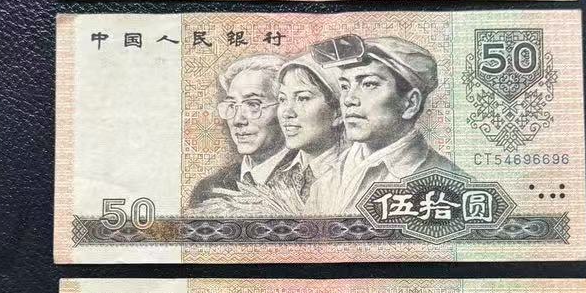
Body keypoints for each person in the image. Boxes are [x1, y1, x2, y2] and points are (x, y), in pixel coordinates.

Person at [308, 34, 466, 213]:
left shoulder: (450, 185)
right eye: (345, 86)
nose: (348, 99)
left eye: (369, 84)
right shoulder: (330, 173)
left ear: (410, 103)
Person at [189, 55, 300, 208]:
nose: (237, 120)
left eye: (253, 105)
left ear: (283, 108)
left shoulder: (308, 181)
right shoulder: (208, 189)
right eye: (232, 105)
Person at [275, 53, 345, 198]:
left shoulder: (350, 175)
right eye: (282, 99)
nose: (287, 113)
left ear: (338, 112)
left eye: (302, 98)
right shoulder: (277, 177)